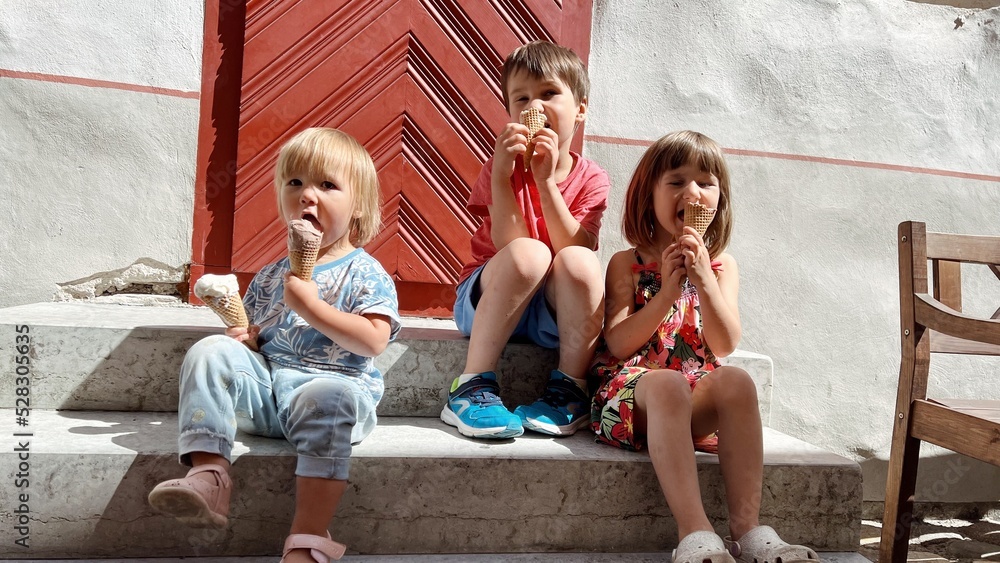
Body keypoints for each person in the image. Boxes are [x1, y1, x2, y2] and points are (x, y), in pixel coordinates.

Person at [148, 128, 401, 563]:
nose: (307, 195)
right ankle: (209, 474)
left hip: (331, 393)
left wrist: (314, 308)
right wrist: (244, 339)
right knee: (208, 351)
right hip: (268, 390)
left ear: (357, 204)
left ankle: (308, 536)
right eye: (295, 182)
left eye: (327, 185)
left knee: (331, 397)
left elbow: (373, 341)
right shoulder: (271, 274)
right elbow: (258, 336)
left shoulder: (366, 272)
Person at [590, 131, 818, 563]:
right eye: (676, 181)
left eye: (706, 183)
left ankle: (749, 531)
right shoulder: (629, 263)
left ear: (720, 200)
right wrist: (665, 296)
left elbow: (725, 342)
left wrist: (705, 281)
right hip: (631, 395)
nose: (692, 193)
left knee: (735, 381)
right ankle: (693, 531)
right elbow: (618, 343)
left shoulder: (722, 266)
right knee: (669, 385)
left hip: (691, 389)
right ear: (648, 196)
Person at [442, 40, 610, 440]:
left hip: (550, 314)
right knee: (529, 253)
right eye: (522, 98)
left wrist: (546, 181)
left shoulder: (592, 179)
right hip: (487, 300)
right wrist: (503, 176)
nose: (535, 105)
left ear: (580, 109)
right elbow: (506, 242)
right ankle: (469, 387)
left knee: (580, 263)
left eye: (549, 93)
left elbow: (577, 245)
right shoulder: (499, 167)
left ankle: (569, 390)